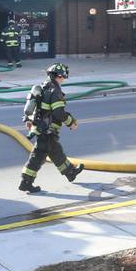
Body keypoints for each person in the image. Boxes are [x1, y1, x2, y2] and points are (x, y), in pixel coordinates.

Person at [19, 63, 84, 193]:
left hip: (41, 128)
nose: (63, 79)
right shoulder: (55, 90)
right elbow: (58, 113)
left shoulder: (42, 87)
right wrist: (71, 123)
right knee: (39, 156)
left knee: (53, 152)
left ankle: (70, 173)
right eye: (63, 77)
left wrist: (28, 119)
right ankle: (26, 182)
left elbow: (36, 107)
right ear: (59, 76)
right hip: (48, 130)